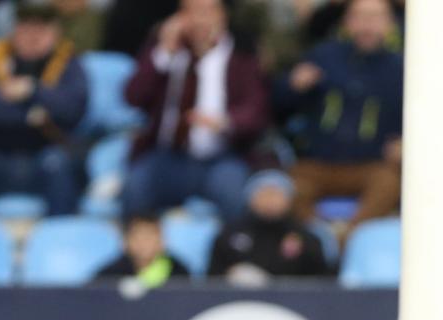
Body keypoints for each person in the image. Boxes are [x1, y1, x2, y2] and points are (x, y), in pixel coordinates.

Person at [121, 0, 270, 220]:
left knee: (236, 196)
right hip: (168, 157)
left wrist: (226, 121)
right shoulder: (165, 49)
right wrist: (164, 52)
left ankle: (234, 253)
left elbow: (257, 111)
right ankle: (140, 252)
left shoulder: (243, 54)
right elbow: (133, 96)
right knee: (135, 187)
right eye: (191, 12)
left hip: (221, 158)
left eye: (207, 12)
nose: (200, 20)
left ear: (223, 16)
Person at [0, 2, 88, 217]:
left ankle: (61, 239)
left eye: (41, 28)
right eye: (26, 28)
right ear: (14, 31)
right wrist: (36, 115)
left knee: (59, 164)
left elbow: (72, 112)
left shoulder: (69, 63)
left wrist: (32, 90)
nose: (33, 36)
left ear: (55, 32)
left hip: (44, 157)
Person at [279, 0, 403, 228]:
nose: (367, 25)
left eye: (375, 17)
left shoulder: (401, 68)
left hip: (371, 166)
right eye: (360, 17)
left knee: (390, 183)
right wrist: (292, 86)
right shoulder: (323, 56)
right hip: (317, 164)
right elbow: (279, 106)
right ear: (347, 22)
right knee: (285, 186)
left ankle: (346, 240)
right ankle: (319, 238)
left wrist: (403, 143)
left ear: (390, 24)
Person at [207, 169, 333, 282]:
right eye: (264, 193)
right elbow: (212, 278)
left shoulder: (306, 238)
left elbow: (321, 280)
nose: (270, 200)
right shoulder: (230, 234)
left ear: (289, 199)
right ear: (250, 198)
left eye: (276, 194)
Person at [94, 213, 192, 286]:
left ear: (162, 241)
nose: (144, 243)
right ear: (126, 241)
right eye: (138, 237)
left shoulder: (179, 272)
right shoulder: (110, 275)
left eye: (150, 236)